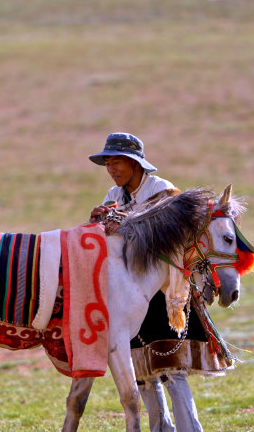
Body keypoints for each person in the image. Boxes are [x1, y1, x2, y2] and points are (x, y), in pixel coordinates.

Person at [88, 132, 230, 432]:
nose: (111, 169)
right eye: (108, 163)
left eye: (117, 162)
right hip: (130, 292)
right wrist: (98, 223)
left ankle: (190, 428)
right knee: (141, 369)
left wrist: (121, 222)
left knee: (170, 368)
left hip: (163, 292)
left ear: (136, 164)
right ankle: (160, 428)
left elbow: (160, 238)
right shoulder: (112, 197)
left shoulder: (163, 192)